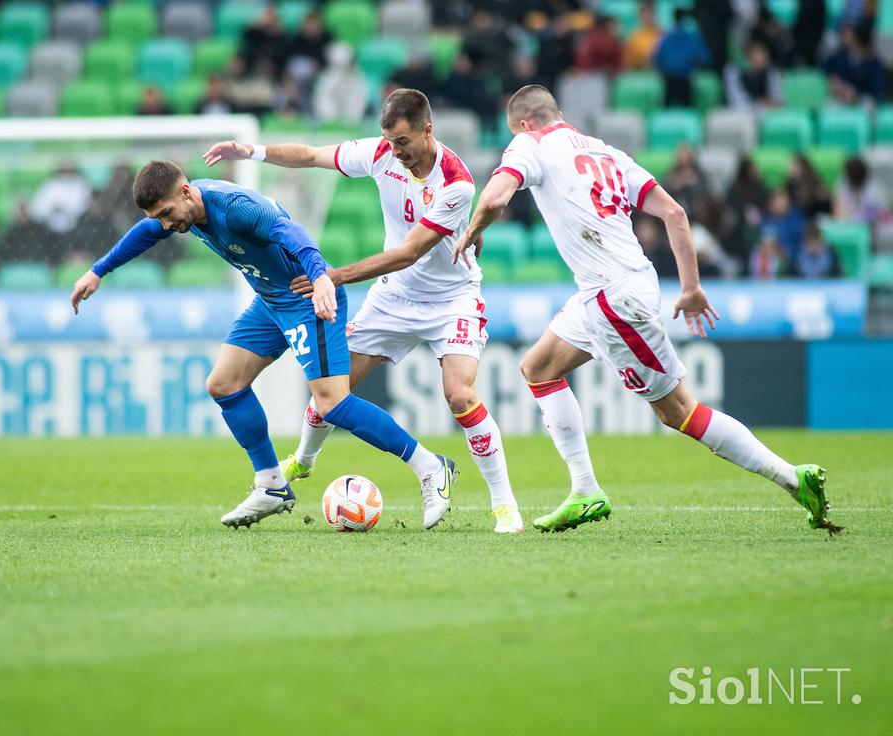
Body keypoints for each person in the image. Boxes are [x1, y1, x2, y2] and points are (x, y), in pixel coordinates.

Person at [451, 85, 841, 536]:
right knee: (538, 368)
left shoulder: (529, 144)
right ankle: (584, 490)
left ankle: (794, 478)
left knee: (678, 412)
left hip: (614, 298)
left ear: (522, 124)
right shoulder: (606, 152)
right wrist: (691, 286)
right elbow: (674, 213)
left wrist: (474, 230)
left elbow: (497, 197)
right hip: (608, 290)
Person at [203, 89, 524, 534]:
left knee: (460, 395)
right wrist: (253, 151)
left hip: (452, 299)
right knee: (332, 391)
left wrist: (335, 276)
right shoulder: (381, 153)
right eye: (390, 141)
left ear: (428, 130)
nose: (396, 152)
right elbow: (312, 155)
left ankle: (503, 504)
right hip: (394, 297)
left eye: (404, 143)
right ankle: (303, 460)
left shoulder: (456, 183)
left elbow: (410, 252)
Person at [70, 161, 457, 529]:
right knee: (223, 384)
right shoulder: (184, 212)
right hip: (270, 302)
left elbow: (290, 233)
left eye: (167, 213)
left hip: (306, 297)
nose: (166, 224)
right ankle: (271, 483)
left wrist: (321, 275)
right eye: (159, 217)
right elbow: (146, 232)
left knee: (332, 404)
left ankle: (430, 466)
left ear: (186, 192)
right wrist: (97, 270)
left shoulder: (236, 209)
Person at [653, 8, 710, 107]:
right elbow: (704, 58)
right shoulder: (692, 38)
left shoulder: (666, 38)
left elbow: (657, 59)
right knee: (688, 111)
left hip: (669, 81)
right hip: (685, 80)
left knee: (667, 112)